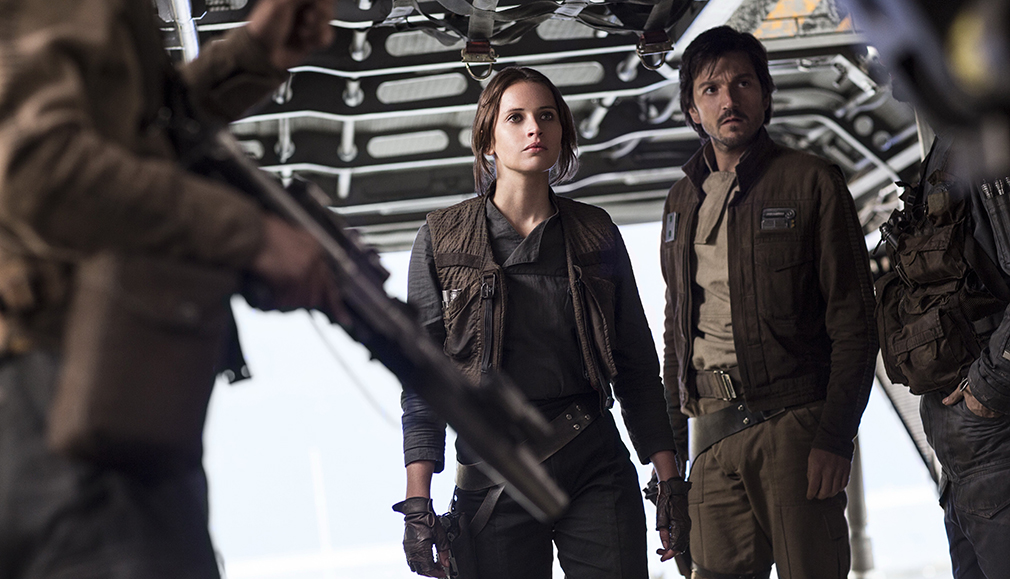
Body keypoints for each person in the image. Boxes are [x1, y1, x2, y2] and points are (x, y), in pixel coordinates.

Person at [0, 0, 337, 577]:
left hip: (78, 403)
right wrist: (249, 235)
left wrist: (250, 59)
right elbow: (37, 172)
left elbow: (133, 133)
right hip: (65, 407)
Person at [395, 66, 688, 579]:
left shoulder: (595, 231)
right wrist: (417, 506)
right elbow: (423, 382)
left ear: (562, 132)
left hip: (594, 463)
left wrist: (669, 482)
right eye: (516, 118)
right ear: (488, 140)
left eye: (547, 116)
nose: (535, 128)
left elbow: (637, 366)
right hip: (492, 475)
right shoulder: (441, 238)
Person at [659, 26, 877, 579]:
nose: (728, 100)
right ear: (692, 111)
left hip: (794, 426)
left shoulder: (810, 181)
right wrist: (672, 468)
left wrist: (835, 438)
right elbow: (677, 335)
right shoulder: (680, 200)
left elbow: (855, 322)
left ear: (765, 95)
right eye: (711, 89)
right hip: (709, 433)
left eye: (743, 84)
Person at [886, 132, 1010, 578]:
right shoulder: (945, 146)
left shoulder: (991, 138)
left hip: (996, 440)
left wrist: (989, 387)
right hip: (959, 458)